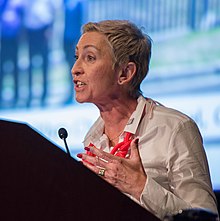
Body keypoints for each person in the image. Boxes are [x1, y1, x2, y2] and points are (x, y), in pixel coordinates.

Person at [72, 20, 218, 220]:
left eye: (89, 57)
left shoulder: (175, 129)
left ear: (124, 73)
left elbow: (205, 217)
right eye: (76, 56)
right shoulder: (93, 138)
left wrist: (139, 185)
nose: (75, 68)